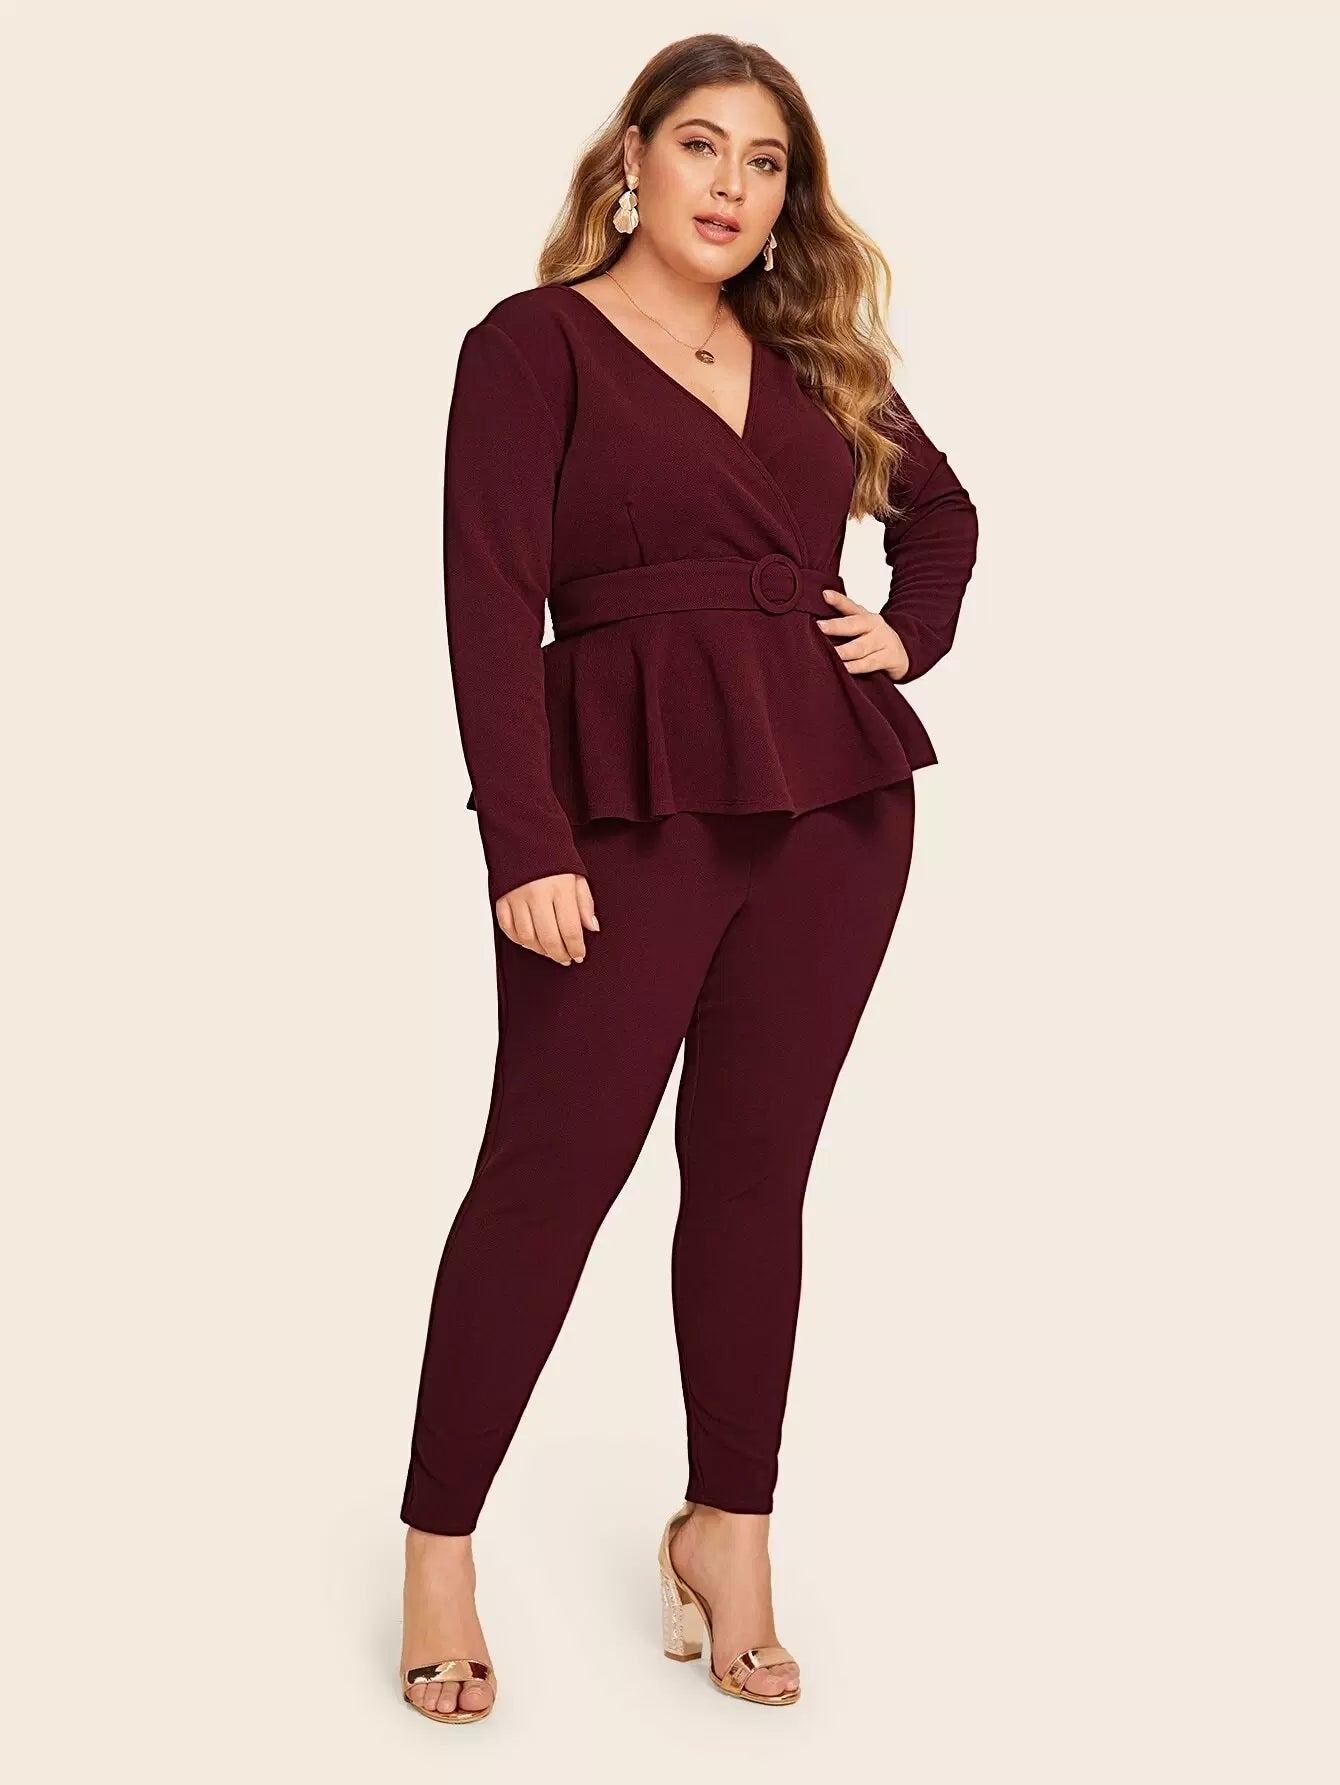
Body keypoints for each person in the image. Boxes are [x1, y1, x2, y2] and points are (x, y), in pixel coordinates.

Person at [399, 33, 979, 1724]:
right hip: (624, 811)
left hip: (836, 812)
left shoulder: (809, 355)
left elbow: (943, 515)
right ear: (633, 159)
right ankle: (438, 1547)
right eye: (704, 146)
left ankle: (731, 1528)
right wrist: (525, 841)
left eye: (767, 161)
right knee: (547, 1176)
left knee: (752, 1179)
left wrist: (909, 633)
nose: (733, 185)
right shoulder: (532, 347)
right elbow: (487, 603)